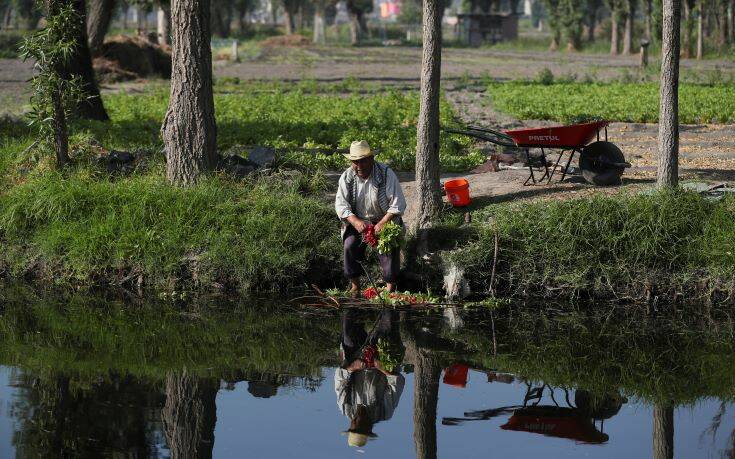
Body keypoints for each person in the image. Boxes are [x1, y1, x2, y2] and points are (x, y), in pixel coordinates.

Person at [335, 140, 407, 294]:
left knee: (388, 247)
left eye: (363, 161)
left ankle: (390, 287)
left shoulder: (386, 174)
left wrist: (382, 222)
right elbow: (341, 205)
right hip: (359, 220)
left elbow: (398, 204)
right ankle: (355, 285)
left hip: (384, 218)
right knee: (350, 245)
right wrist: (355, 221)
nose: (359, 165)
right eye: (355, 162)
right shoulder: (347, 177)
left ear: (371, 159)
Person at [335, 309, 405, 448]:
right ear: (370, 430)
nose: (357, 424)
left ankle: (356, 292)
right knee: (387, 324)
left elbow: (339, 378)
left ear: (350, 426)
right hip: (381, 361)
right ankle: (390, 292)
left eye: (354, 428)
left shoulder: (345, 407)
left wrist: (353, 367)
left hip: (356, 358)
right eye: (361, 429)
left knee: (348, 329)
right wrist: (379, 366)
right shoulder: (384, 412)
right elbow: (398, 382)